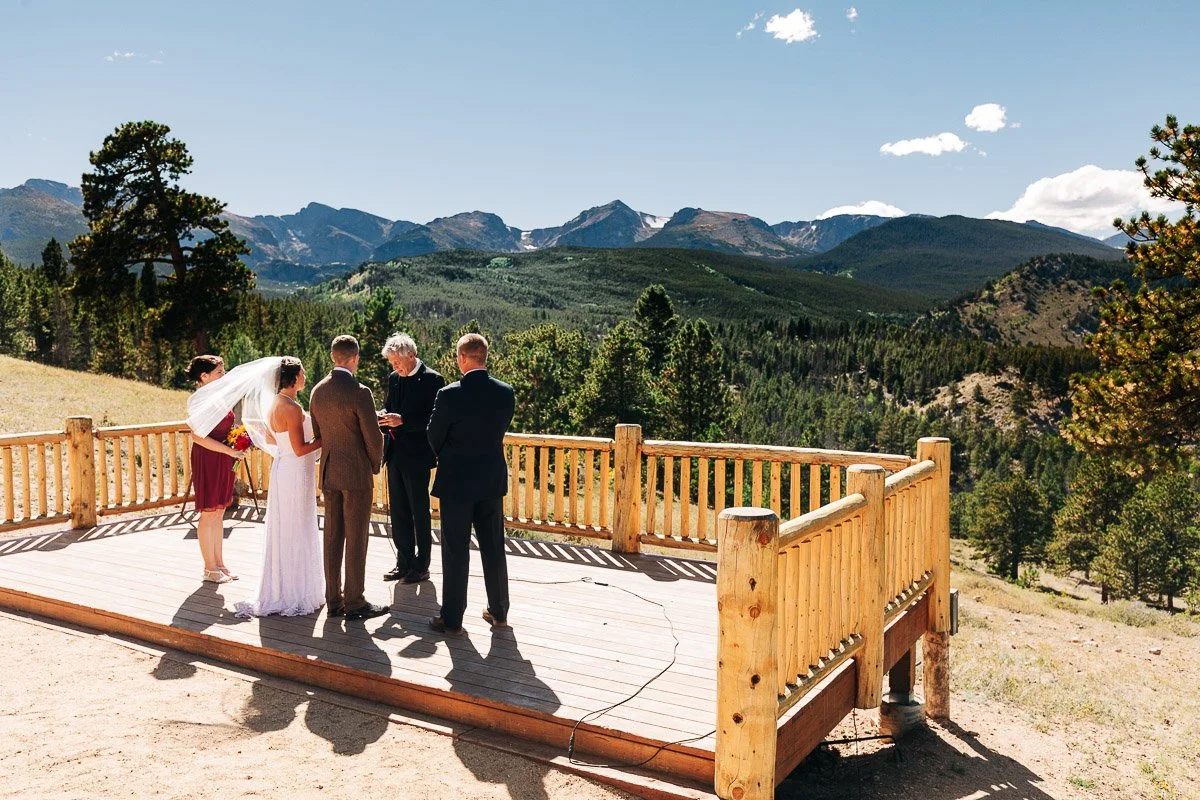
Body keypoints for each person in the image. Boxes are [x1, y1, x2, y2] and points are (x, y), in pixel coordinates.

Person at [427, 333, 515, 635]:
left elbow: (433, 435)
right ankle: (498, 610)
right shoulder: (506, 393)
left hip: (456, 482)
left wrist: (447, 456)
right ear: (484, 357)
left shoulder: (449, 395)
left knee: (455, 549)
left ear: (463, 358)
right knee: (493, 546)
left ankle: (452, 618)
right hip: (490, 480)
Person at [235, 357, 325, 618]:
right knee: (296, 527)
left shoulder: (275, 404)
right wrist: (323, 439)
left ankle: (283, 587)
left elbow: (274, 438)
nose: (305, 376)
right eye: (303, 372)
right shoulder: (293, 408)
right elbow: (300, 449)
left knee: (286, 528)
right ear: (294, 378)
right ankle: (295, 592)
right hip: (295, 472)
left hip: (283, 469)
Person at [308, 335, 389, 621]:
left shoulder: (317, 391)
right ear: (355, 358)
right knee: (356, 538)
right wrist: (375, 465)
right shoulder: (360, 392)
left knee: (332, 536)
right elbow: (373, 437)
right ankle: (355, 602)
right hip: (356, 474)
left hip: (330, 472)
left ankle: (333, 601)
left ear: (332, 357)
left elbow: (318, 433)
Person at [378, 333, 445, 584]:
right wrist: (384, 418)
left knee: (419, 511)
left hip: (417, 456)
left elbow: (434, 421)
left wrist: (403, 420)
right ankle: (403, 562)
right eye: (392, 363)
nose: (394, 367)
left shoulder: (433, 379)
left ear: (412, 356)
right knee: (399, 511)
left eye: (397, 362)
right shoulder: (394, 379)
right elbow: (389, 406)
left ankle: (422, 564)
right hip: (394, 454)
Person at [185, 355, 247, 584]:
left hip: (224, 457)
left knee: (220, 511)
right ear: (204, 376)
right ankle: (209, 568)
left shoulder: (220, 397)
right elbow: (197, 435)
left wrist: (238, 442)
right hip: (209, 457)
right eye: (220, 372)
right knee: (209, 512)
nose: (224, 375)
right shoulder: (199, 400)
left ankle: (219, 563)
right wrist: (230, 451)